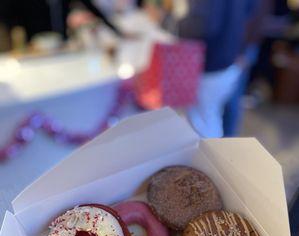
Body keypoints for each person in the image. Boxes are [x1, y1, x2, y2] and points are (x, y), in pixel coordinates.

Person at [146, 0, 259, 138]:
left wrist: (167, 20)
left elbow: (203, 24)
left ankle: (207, 157)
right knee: (210, 115)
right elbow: (250, 10)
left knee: (203, 121)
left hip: (211, 62)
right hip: (228, 57)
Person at [223, 0, 274, 137]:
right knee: (226, 98)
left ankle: (227, 140)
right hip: (236, 46)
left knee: (232, 99)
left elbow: (257, 20)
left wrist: (243, 52)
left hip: (242, 48)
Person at [0, 0, 123, 41]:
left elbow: (94, 9)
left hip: (62, 45)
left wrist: (117, 31)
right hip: (34, 47)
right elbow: (6, 13)